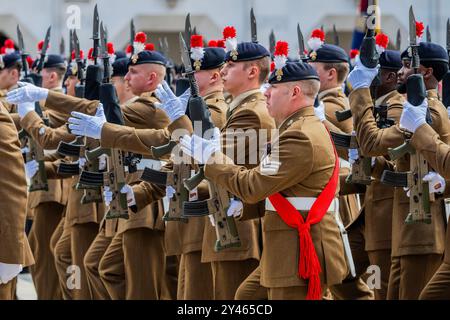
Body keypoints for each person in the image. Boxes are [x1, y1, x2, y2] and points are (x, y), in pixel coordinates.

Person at [179, 60, 349, 300]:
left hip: (298, 249)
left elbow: (253, 185)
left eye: (274, 88)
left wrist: (211, 157)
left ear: (295, 92)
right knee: (245, 297)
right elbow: (282, 187)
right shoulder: (297, 127)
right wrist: (247, 204)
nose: (266, 92)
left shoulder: (299, 136)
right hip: (288, 243)